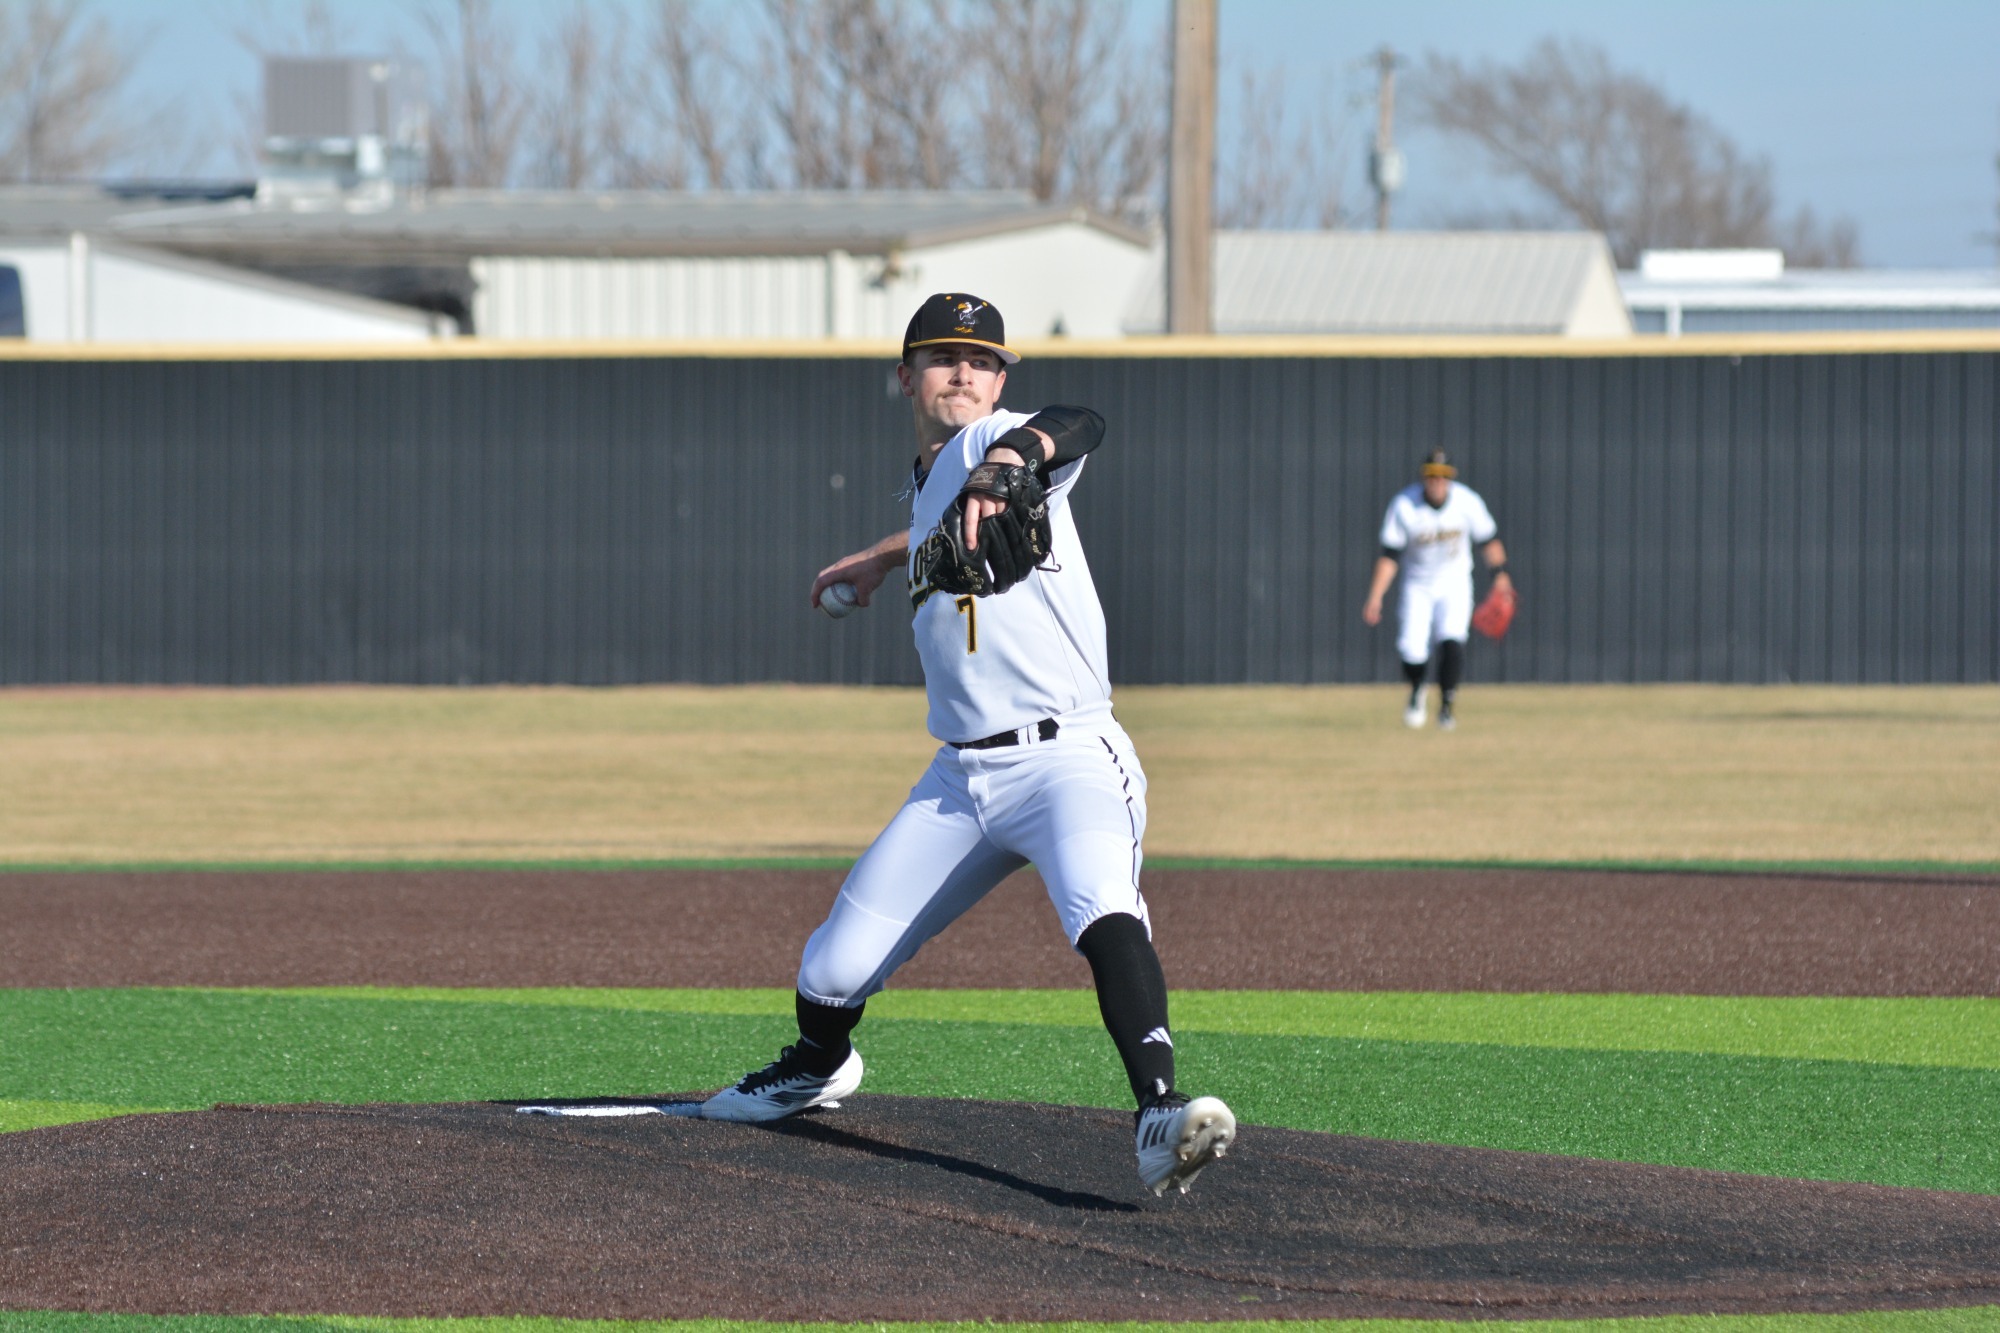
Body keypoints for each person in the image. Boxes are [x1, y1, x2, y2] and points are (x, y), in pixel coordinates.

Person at [697, 292, 1237, 1198]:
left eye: (982, 360)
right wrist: (886, 556)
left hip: (1067, 757)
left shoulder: (998, 441)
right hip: (960, 776)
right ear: (905, 376)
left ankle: (1158, 1111)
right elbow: (939, 518)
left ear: (998, 383)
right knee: (830, 970)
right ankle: (817, 1066)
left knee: (1103, 907)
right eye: (944, 357)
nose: (964, 372)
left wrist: (1013, 460)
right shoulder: (931, 482)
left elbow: (1079, 421)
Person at [1362, 450, 1512, 730]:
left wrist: (1501, 577)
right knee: (1412, 649)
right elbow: (1390, 556)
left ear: (1451, 479)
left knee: (1452, 639)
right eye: (1432, 475)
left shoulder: (1467, 502)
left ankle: (1446, 706)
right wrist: (1375, 596)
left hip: (1454, 582)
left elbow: (1489, 541)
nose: (1437, 482)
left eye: (1443, 476)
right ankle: (1417, 689)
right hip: (1417, 583)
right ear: (1423, 477)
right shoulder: (1405, 505)